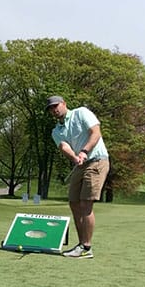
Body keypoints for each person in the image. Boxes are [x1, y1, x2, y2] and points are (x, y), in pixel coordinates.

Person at [46, 95, 110, 259]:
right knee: (74, 203)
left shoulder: (81, 113)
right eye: (51, 108)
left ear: (64, 104)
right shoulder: (56, 131)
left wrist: (84, 151)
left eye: (56, 106)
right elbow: (64, 146)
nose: (54, 110)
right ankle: (81, 244)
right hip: (80, 165)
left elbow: (95, 132)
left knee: (85, 204)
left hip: (96, 160)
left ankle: (86, 247)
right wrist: (75, 158)